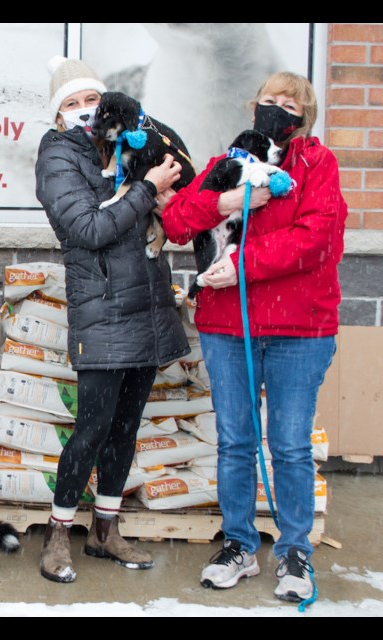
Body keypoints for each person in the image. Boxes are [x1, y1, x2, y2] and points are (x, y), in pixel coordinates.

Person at [162, 71, 346, 603]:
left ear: (304, 115)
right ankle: (239, 544)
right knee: (236, 442)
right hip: (228, 327)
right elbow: (177, 221)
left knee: (289, 445)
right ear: (253, 108)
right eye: (268, 101)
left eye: (289, 103)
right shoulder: (231, 163)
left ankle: (294, 551)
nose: (277, 109)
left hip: (299, 328)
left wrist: (243, 262)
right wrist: (229, 203)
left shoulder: (319, 165)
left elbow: (316, 239)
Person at [34, 56, 189, 583]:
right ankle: (58, 532)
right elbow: (88, 227)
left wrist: (165, 192)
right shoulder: (57, 156)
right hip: (101, 311)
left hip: (146, 305)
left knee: (126, 428)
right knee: (91, 429)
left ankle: (106, 529)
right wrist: (147, 191)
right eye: (71, 104)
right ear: (57, 115)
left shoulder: (122, 145)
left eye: (91, 101)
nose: (84, 111)